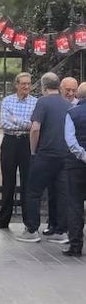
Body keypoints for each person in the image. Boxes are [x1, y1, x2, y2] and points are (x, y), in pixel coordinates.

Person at [16, 73, 71, 244]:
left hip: (45, 154)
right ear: (59, 86)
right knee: (62, 193)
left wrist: (33, 150)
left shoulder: (42, 102)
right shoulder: (67, 104)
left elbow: (35, 128)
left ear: (43, 86)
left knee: (33, 191)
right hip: (64, 155)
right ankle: (61, 231)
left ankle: (32, 230)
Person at [0, 72, 37, 230]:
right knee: (8, 182)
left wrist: (16, 120)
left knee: (28, 183)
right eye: (23, 83)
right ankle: (3, 221)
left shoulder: (35, 102)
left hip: (27, 143)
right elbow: (4, 123)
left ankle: (29, 222)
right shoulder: (7, 100)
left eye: (28, 83)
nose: (26, 86)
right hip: (10, 142)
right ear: (16, 84)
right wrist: (24, 123)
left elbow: (33, 125)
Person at [44, 76, 79, 236]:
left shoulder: (78, 106)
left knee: (64, 192)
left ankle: (62, 226)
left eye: (73, 90)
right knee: (51, 190)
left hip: (70, 156)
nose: (71, 93)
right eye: (68, 90)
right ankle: (52, 223)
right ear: (60, 89)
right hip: (52, 153)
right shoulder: (55, 104)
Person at [63, 82, 86, 257]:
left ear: (78, 96)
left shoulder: (72, 113)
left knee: (75, 204)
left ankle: (76, 245)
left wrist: (83, 155)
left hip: (76, 165)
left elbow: (70, 141)